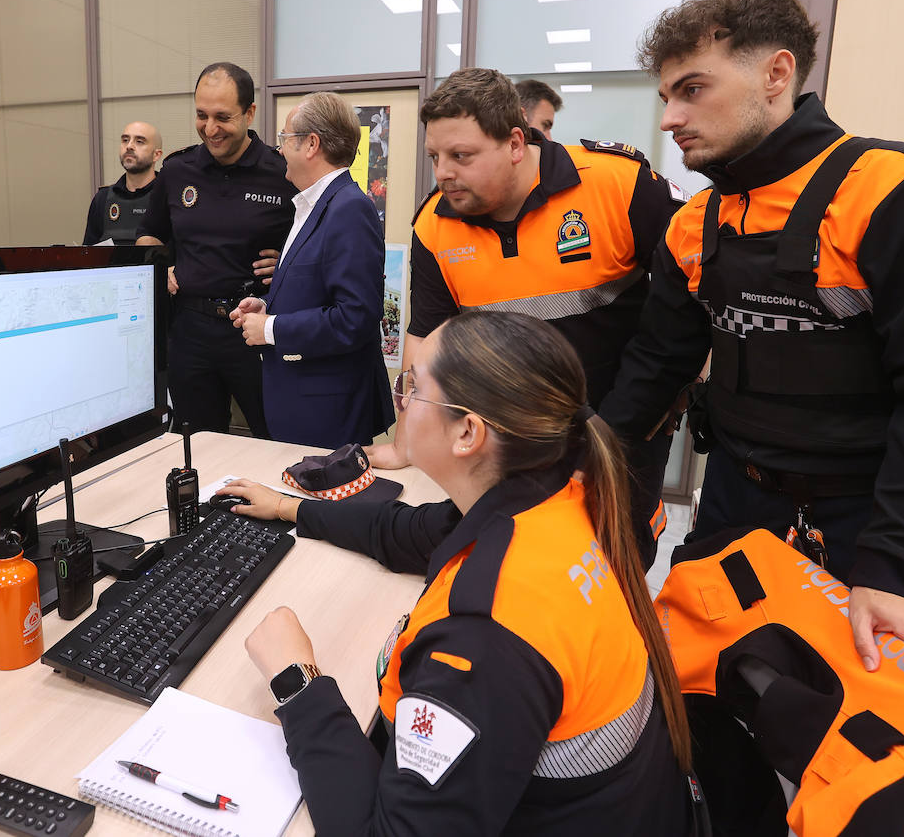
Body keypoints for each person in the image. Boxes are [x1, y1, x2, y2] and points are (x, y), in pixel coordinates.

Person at [599, 0, 904, 676]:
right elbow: (654, 366)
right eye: (665, 95)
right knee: (703, 689)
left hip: (864, 523)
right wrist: (592, 463)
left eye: (692, 89)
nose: (669, 117)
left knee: (829, 719)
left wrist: (890, 566)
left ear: (777, 72)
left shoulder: (899, 194)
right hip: (735, 499)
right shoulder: (693, 224)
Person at [220, 312, 696, 836]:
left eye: (414, 386)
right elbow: (404, 530)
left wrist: (298, 683)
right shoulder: (558, 495)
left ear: (468, 431)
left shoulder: (484, 640)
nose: (400, 399)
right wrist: (291, 510)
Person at [367, 67, 685, 568]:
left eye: (461, 156)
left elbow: (685, 305)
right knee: (518, 566)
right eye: (435, 157)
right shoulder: (435, 225)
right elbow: (427, 334)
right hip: (511, 441)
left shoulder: (615, 185)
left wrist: (633, 422)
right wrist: (406, 440)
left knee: (610, 566)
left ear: (515, 143)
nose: (443, 172)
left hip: (623, 426)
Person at [135, 63, 296, 438]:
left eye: (223, 117)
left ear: (250, 113)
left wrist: (289, 262)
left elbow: (316, 240)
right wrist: (161, 268)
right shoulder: (177, 169)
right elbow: (148, 234)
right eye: (201, 115)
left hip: (255, 329)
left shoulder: (282, 171)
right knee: (197, 444)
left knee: (274, 439)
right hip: (191, 330)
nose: (210, 129)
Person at [229, 93, 394, 449]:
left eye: (284, 139)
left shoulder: (349, 209)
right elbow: (315, 291)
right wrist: (266, 307)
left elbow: (356, 317)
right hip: (304, 406)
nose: (278, 150)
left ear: (311, 144)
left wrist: (270, 328)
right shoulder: (313, 205)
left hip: (327, 416)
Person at [83, 121, 162, 245]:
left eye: (139, 141)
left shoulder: (167, 197)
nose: (129, 146)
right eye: (125, 140)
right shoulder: (102, 198)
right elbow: (87, 255)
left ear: (156, 155)